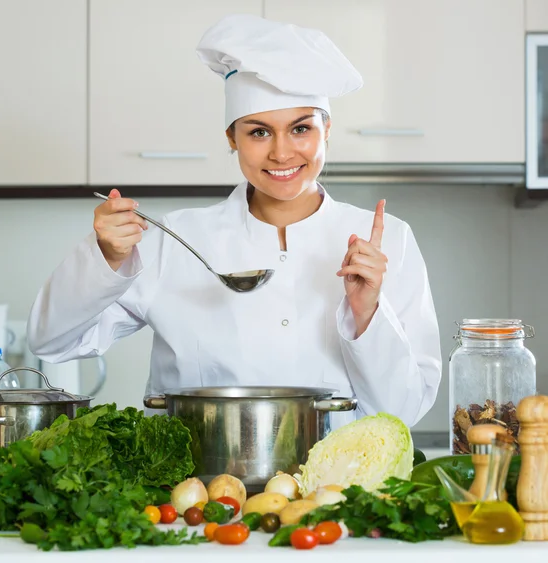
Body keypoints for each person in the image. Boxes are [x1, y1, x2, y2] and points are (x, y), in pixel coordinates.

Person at [27, 14, 441, 429]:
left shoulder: (388, 242)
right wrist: (105, 258)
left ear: (327, 130)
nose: (282, 153)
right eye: (259, 132)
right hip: (199, 487)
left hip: (339, 488)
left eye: (300, 129)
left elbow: (402, 411)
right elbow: (53, 341)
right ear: (232, 137)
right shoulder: (175, 240)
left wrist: (368, 313)